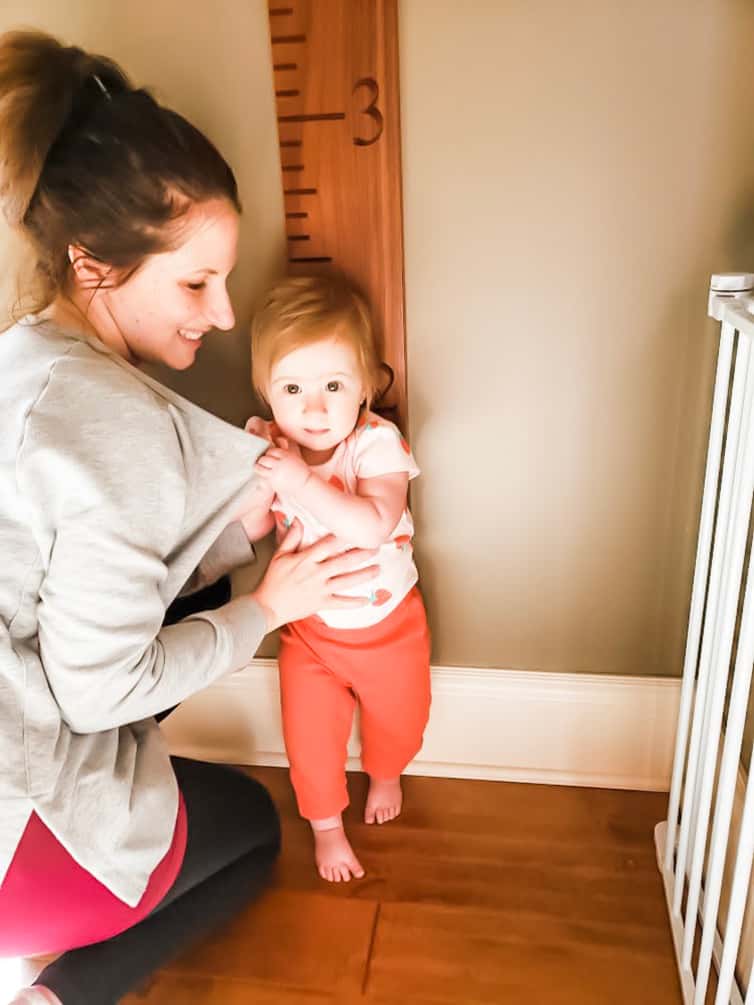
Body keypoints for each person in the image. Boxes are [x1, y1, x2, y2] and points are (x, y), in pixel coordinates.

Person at [0, 30, 379, 1005]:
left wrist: (238, 526)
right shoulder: (120, 429)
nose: (224, 315)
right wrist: (269, 607)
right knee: (251, 828)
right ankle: (53, 994)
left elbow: (77, 564)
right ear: (92, 264)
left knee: (195, 601)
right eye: (196, 283)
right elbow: (99, 695)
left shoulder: (20, 363)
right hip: (20, 849)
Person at [243, 274, 432, 883]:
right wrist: (258, 476)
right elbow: (251, 530)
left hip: (388, 626)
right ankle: (327, 828)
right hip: (309, 631)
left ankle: (386, 772)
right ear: (267, 393)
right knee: (310, 739)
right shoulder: (275, 448)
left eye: (333, 385)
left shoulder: (375, 444)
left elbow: (374, 524)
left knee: (401, 718)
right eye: (292, 388)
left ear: (365, 387)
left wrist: (298, 480)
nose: (314, 408)